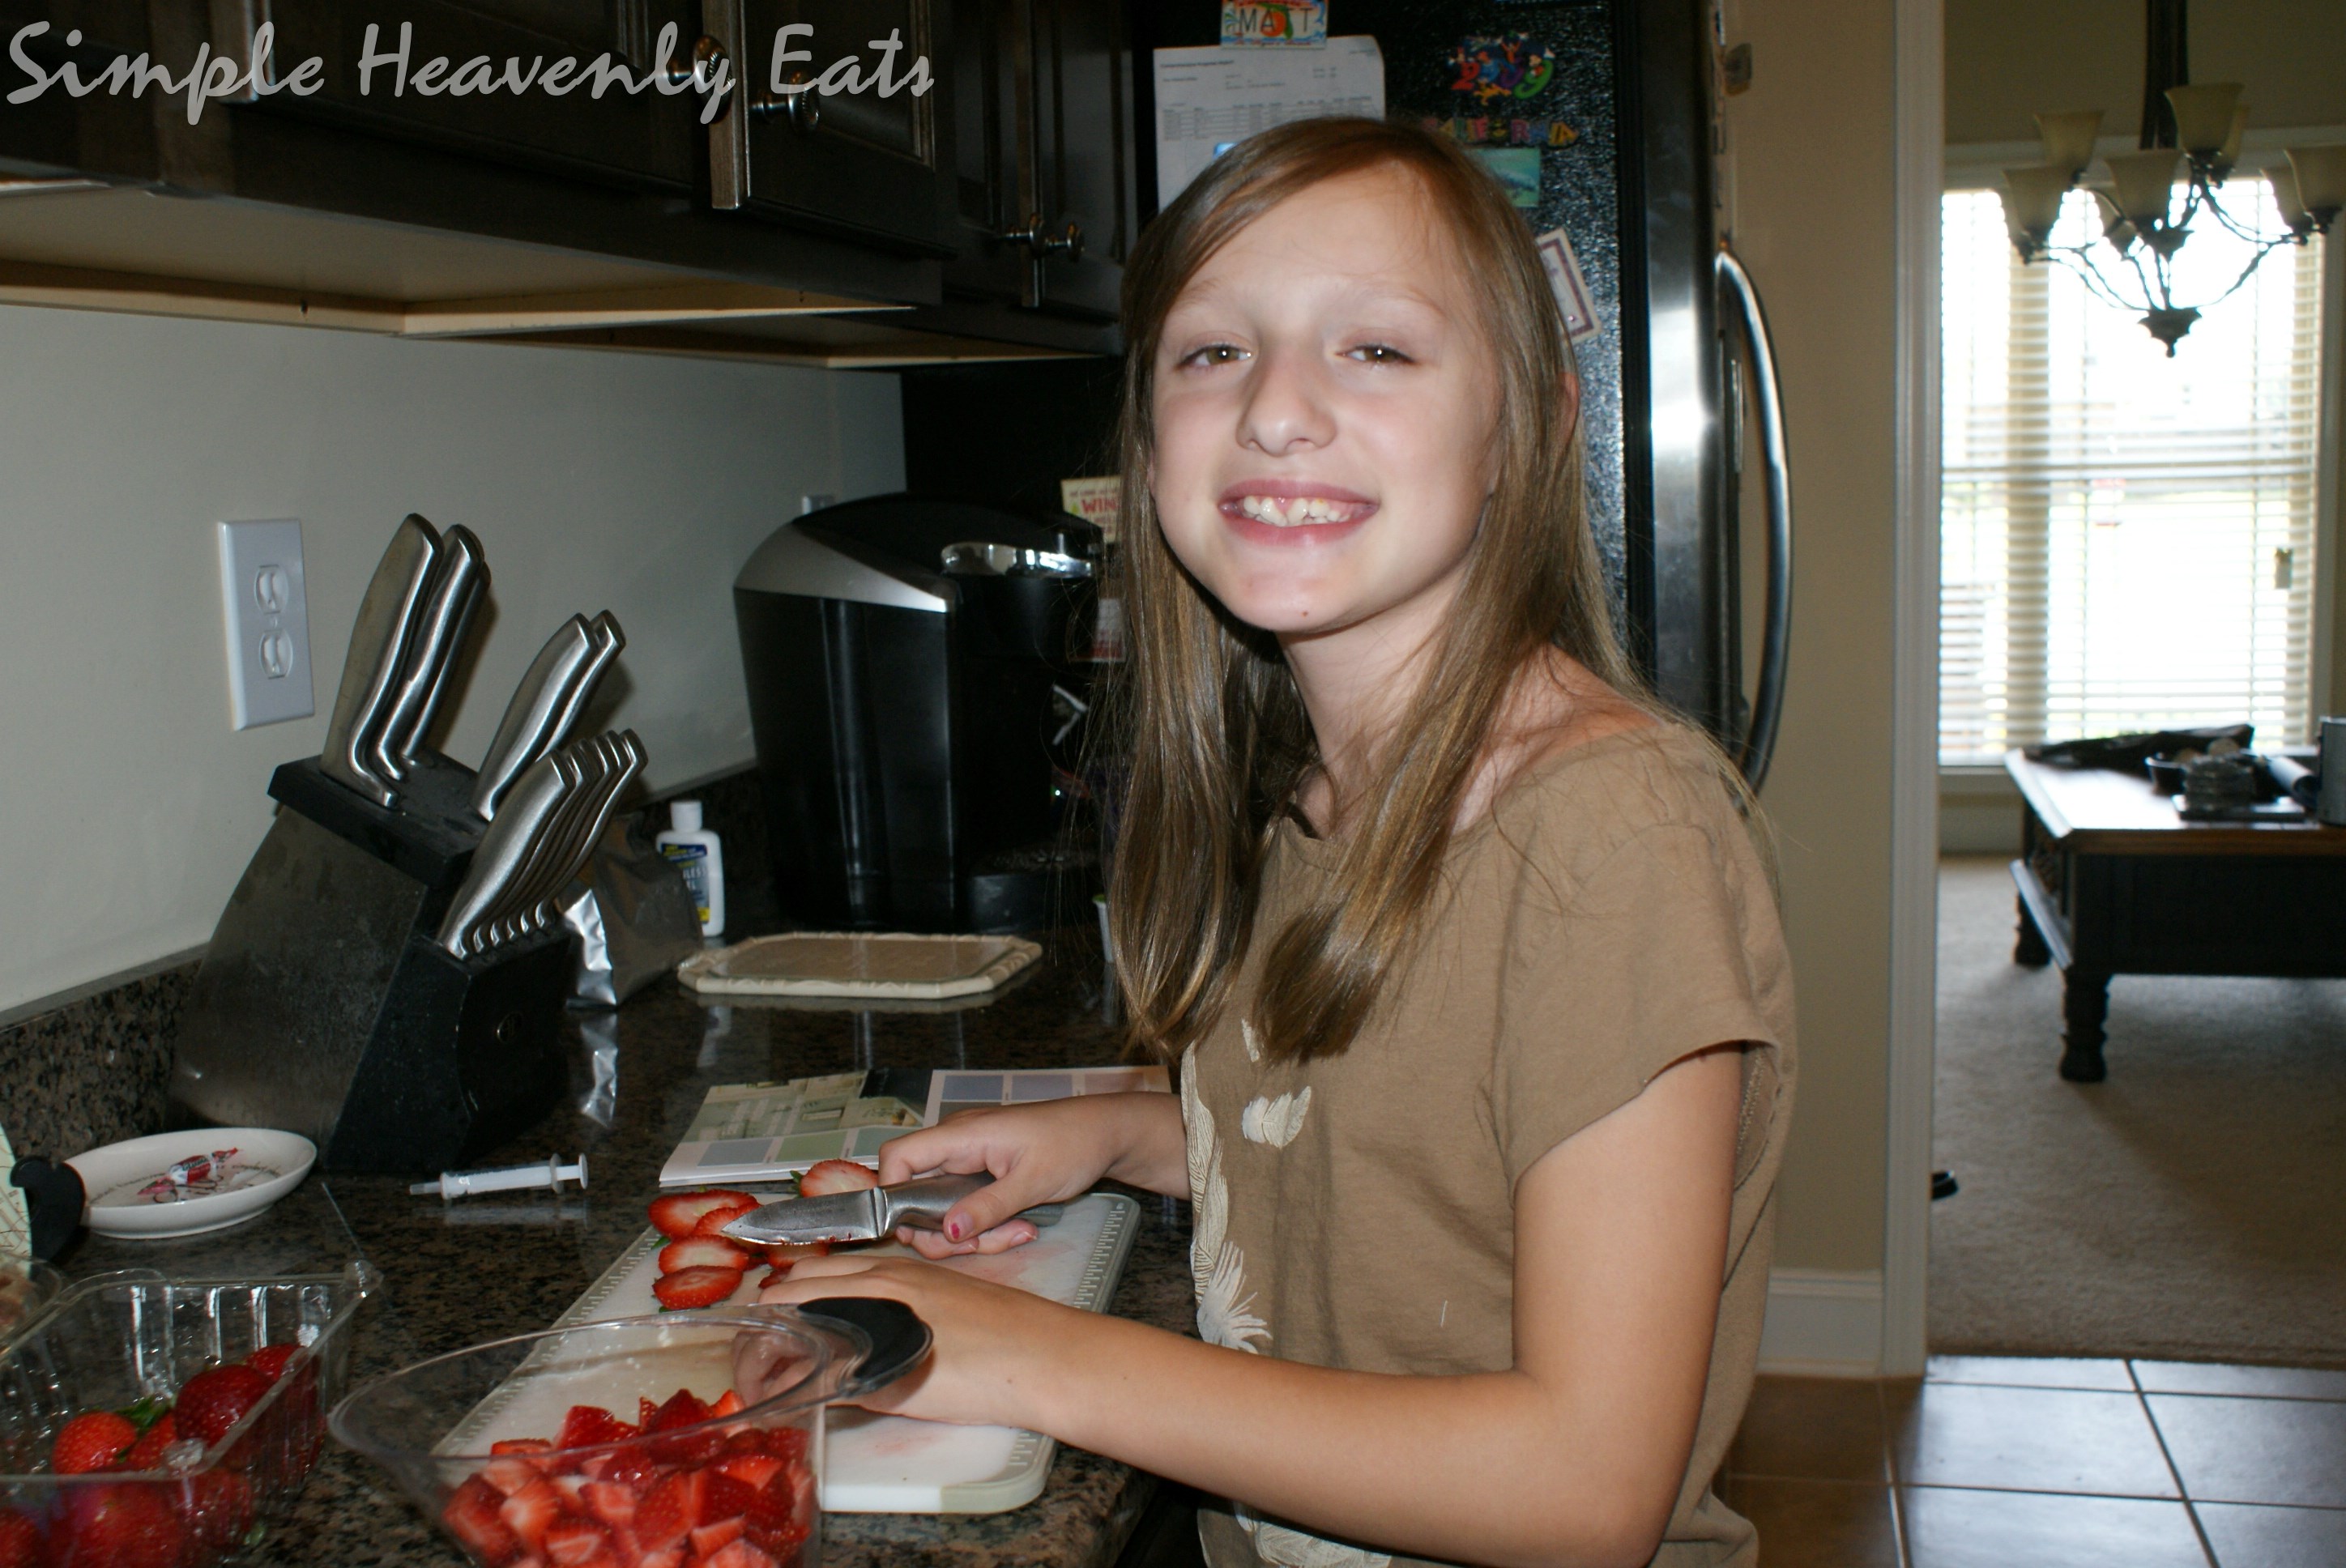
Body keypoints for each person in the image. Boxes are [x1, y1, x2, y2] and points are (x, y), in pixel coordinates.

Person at [759, 116, 1796, 1568]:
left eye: (1375, 348)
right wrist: (1127, 1133)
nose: (1277, 409)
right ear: (1147, 446)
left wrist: (1031, 1357)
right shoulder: (1315, 797)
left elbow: (1585, 1492)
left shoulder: (1611, 841)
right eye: (1212, 351)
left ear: (1528, 427)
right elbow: (1406, 1155)